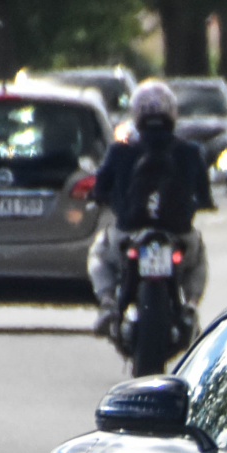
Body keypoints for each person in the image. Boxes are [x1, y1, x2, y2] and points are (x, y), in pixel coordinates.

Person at [89, 80, 212, 332]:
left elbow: (99, 189)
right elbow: (204, 193)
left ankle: (108, 302)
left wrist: (101, 198)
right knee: (198, 259)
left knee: (99, 252)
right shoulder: (190, 151)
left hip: (126, 235)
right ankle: (190, 305)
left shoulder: (119, 151)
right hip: (179, 235)